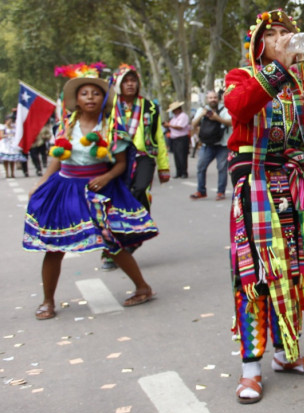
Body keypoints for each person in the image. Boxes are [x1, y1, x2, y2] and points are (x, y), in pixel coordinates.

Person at [224, 9, 304, 404]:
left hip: (293, 188)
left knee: (291, 271)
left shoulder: (301, 84)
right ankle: (250, 369)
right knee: (255, 278)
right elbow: (240, 108)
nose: (282, 38)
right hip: (255, 188)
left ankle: (284, 355)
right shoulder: (241, 77)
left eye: (287, 32)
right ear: (259, 45)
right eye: (272, 35)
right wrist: (279, 70)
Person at [23, 65, 157, 320]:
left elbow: (121, 163)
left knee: (111, 242)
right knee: (54, 246)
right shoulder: (65, 127)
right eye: (84, 93)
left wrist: (105, 177)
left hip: (97, 191)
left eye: (95, 94)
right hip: (64, 189)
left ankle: (143, 287)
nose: (90, 98)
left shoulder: (111, 129)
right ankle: (48, 301)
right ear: (77, 100)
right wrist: (40, 183)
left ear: (103, 99)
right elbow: (56, 160)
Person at [101, 65, 169, 271]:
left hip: (143, 156)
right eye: (126, 81)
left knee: (139, 191)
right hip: (116, 158)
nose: (130, 84)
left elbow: (158, 136)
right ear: (119, 85)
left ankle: (138, 233)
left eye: (133, 80)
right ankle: (115, 248)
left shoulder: (149, 106)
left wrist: (163, 166)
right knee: (113, 203)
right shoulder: (109, 107)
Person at [190, 90, 231, 200]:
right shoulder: (202, 110)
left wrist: (217, 118)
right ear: (207, 99)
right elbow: (193, 124)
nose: (213, 99)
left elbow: (231, 122)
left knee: (222, 168)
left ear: (218, 99)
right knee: (200, 167)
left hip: (222, 144)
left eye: (215, 97)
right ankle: (201, 191)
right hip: (207, 144)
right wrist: (202, 115)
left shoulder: (225, 110)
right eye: (210, 98)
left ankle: (220, 192)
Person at [165, 101, 191, 178]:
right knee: (176, 156)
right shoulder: (174, 117)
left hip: (182, 138)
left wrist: (169, 125)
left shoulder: (183, 116)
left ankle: (184, 172)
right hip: (174, 138)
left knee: (182, 156)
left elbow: (180, 127)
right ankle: (178, 172)